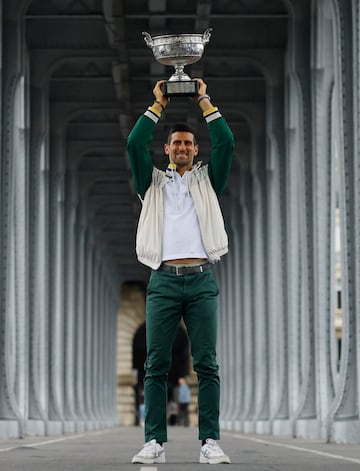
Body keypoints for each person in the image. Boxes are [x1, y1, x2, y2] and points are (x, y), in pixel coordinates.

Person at [128, 78, 234, 465]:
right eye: (177, 143)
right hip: (163, 282)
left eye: (189, 143)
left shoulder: (209, 181)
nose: (184, 147)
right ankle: (154, 440)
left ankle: (210, 442)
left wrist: (205, 101)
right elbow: (133, 145)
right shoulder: (151, 183)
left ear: (196, 148)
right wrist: (156, 106)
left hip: (202, 279)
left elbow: (226, 143)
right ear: (167, 149)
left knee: (206, 363)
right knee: (155, 364)